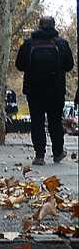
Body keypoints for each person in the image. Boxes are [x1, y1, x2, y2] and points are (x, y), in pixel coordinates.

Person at [15, 16, 74, 165]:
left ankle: (39, 155)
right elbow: (69, 66)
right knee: (55, 121)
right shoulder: (62, 44)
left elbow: (19, 65)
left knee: (37, 122)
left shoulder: (29, 44)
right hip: (56, 90)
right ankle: (58, 152)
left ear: (39, 26)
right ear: (53, 26)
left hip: (34, 91)